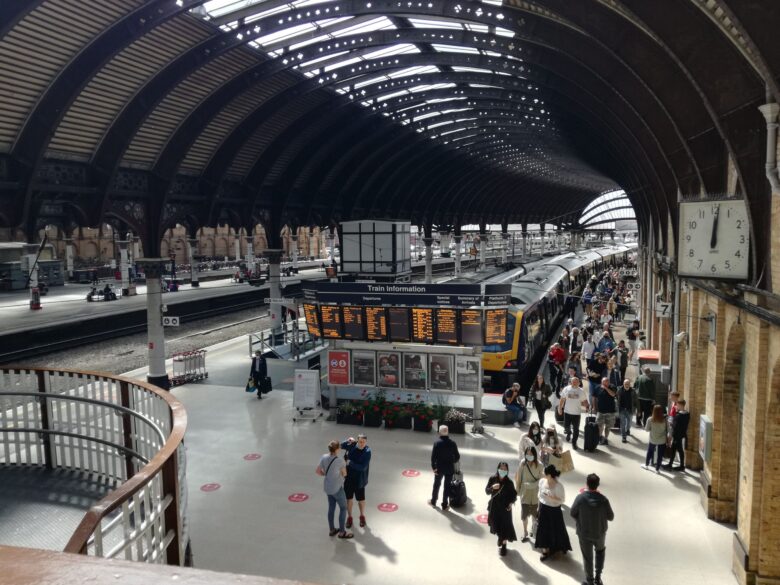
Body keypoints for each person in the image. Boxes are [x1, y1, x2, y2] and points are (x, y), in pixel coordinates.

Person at [571, 474, 614, 585]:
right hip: (600, 533)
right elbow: (611, 517)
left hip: (584, 534)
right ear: (598, 485)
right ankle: (598, 578)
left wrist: (580, 520)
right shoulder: (604, 500)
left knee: (587, 557)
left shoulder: (580, 498)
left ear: (587, 484)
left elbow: (572, 513)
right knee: (600, 553)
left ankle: (589, 581)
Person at [315, 440, 353, 539]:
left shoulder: (323, 457)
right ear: (337, 449)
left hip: (328, 488)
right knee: (343, 508)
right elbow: (345, 474)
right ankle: (342, 532)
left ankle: (332, 530)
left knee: (331, 507)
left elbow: (318, 471)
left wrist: (326, 474)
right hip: (337, 489)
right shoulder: (340, 461)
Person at [535, 465, 572, 561]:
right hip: (543, 509)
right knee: (543, 530)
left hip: (554, 510)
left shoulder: (559, 486)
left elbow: (562, 500)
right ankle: (545, 550)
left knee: (556, 529)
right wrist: (539, 508)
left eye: (544, 472)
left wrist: (552, 498)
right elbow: (539, 495)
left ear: (549, 475)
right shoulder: (542, 482)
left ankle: (557, 547)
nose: (542, 474)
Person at [485, 461, 518, 556]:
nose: (503, 470)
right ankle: (500, 538)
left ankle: (504, 545)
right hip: (494, 507)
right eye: (501, 468)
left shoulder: (509, 482)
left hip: (505, 508)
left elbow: (514, 495)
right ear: (498, 469)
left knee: (505, 526)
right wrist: (492, 488)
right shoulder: (492, 479)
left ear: (507, 471)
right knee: (495, 524)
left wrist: (511, 503)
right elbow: (486, 491)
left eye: (505, 469)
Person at [341, 435, 372, 529]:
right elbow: (340, 446)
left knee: (361, 500)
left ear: (366, 442)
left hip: (360, 480)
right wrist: (347, 440)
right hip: (349, 478)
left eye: (363, 442)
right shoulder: (352, 445)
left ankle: (362, 516)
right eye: (360, 441)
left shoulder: (367, 452)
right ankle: (349, 517)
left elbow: (362, 467)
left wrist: (350, 462)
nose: (361, 443)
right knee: (348, 499)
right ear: (357, 441)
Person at [430, 425, 460, 510]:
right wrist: (452, 461)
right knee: (447, 486)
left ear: (439, 432)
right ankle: (444, 504)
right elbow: (457, 456)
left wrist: (434, 468)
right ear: (448, 432)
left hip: (439, 468)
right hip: (450, 468)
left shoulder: (437, 443)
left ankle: (433, 501)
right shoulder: (453, 443)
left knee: (436, 485)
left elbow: (433, 458)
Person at [516, 446, 542, 542]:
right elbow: (519, 478)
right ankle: (525, 532)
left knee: (535, 515)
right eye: (527, 454)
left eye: (531, 454)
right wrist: (517, 491)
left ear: (535, 455)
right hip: (525, 494)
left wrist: (531, 485)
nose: (529, 456)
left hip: (536, 494)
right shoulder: (522, 464)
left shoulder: (540, 465)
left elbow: (542, 479)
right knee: (524, 515)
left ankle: (533, 530)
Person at [558, 377, 589, 450]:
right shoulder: (566, 389)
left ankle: (574, 442)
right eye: (573, 382)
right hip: (567, 412)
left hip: (576, 413)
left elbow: (584, 401)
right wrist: (560, 408)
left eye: (576, 382)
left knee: (576, 429)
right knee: (566, 426)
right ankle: (569, 433)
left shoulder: (581, 391)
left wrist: (587, 406)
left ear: (579, 383)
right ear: (571, 382)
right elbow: (562, 399)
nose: (575, 383)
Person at [663, 399, 690, 471]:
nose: (676, 406)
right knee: (674, 449)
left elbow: (674, 426)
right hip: (682, 434)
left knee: (679, 450)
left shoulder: (678, 416)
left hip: (677, 436)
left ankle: (681, 466)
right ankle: (671, 464)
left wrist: (671, 423)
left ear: (681, 405)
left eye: (677, 405)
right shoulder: (687, 414)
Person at [643, 405, 669, 473]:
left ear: (653, 411)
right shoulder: (665, 420)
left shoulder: (650, 419)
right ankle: (657, 469)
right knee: (660, 455)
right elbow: (668, 430)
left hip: (653, 439)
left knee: (650, 451)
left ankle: (646, 465)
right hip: (662, 440)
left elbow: (646, 429)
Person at [592, 377, 617, 446]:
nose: (606, 383)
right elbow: (594, 397)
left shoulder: (612, 387)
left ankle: (606, 438)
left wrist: (606, 388)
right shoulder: (597, 387)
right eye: (604, 382)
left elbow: (613, 394)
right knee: (599, 426)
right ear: (601, 382)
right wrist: (594, 407)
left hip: (610, 411)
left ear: (609, 382)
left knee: (608, 427)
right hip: (600, 411)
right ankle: (600, 437)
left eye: (607, 382)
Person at [616, 379, 636, 443]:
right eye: (625, 384)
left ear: (630, 384)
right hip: (622, 409)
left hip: (630, 410)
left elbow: (636, 401)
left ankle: (627, 430)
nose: (627, 385)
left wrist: (638, 410)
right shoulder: (619, 390)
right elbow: (616, 398)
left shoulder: (633, 391)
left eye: (628, 384)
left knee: (629, 423)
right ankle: (623, 437)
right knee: (623, 423)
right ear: (623, 384)